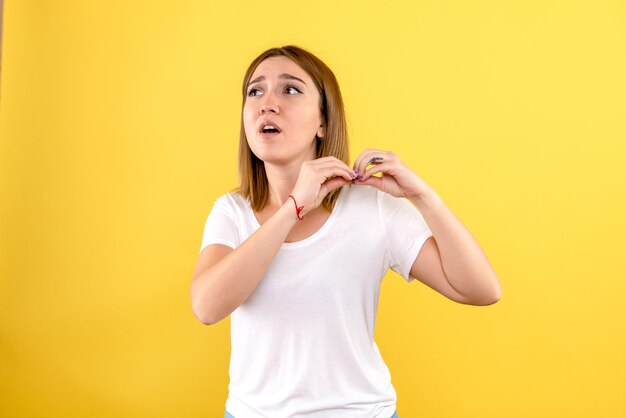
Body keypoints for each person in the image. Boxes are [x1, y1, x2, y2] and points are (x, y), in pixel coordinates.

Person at [190, 45, 502, 418]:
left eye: (290, 89)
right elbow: (207, 307)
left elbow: (482, 290)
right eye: (255, 91)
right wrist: (293, 209)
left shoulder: (372, 208)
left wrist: (424, 197)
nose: (267, 103)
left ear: (323, 122)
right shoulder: (231, 212)